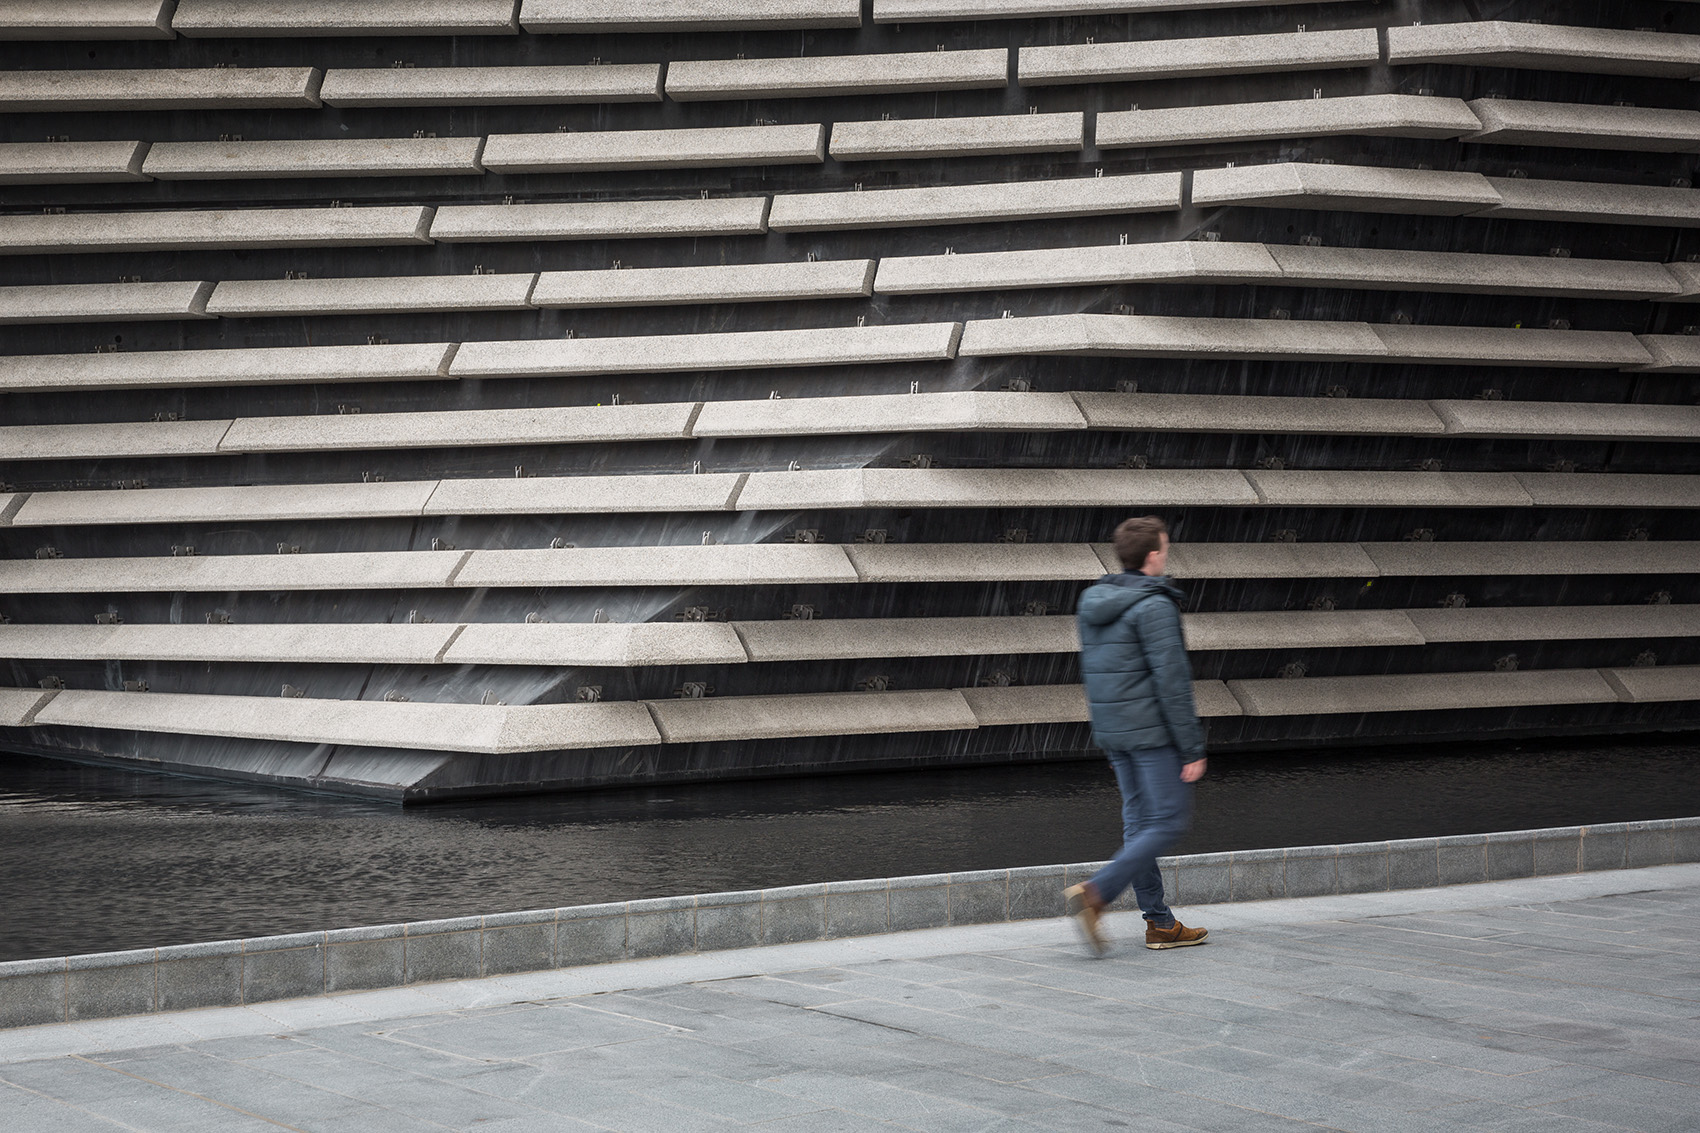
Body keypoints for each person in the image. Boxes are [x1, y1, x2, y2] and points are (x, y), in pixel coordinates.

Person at [1064, 515, 1209, 956]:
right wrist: (1192, 747)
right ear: (1152, 556)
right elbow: (1172, 682)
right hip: (1153, 735)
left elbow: (1096, 673)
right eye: (1164, 548)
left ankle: (1160, 924)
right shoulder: (1155, 605)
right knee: (1168, 820)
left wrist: (1108, 736)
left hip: (1118, 734)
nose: (1166, 555)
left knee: (1140, 824)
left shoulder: (1094, 600)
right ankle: (1095, 894)